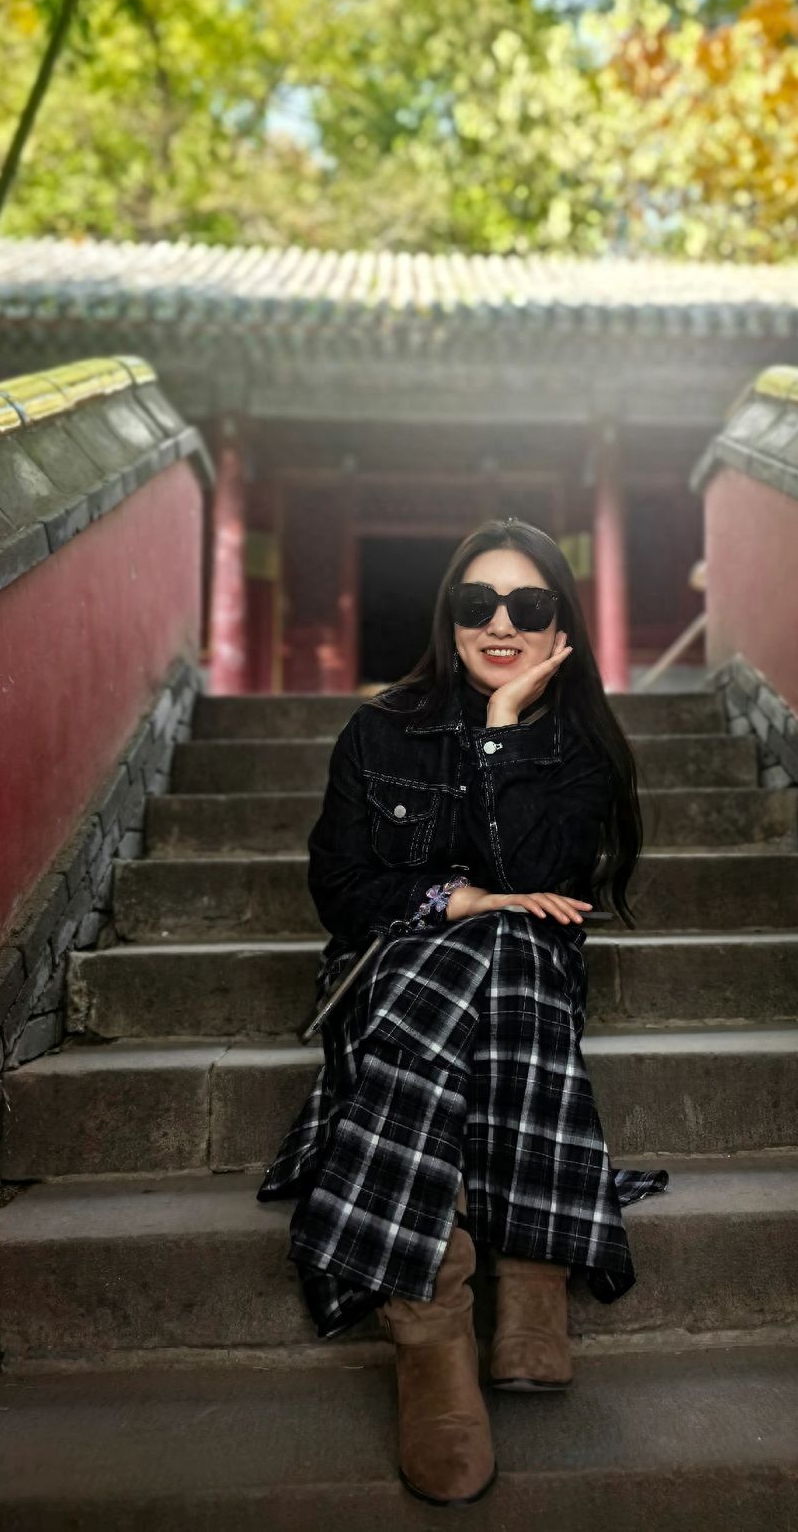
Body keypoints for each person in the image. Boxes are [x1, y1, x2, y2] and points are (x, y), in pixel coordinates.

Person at [256, 516, 667, 1508]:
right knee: (482, 943)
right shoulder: (376, 731)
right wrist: (451, 899)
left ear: (559, 622)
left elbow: (537, 882)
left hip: (514, 984)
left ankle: (515, 1270)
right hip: (390, 980)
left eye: (526, 606)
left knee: (515, 943)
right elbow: (340, 891)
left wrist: (497, 738)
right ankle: (437, 1313)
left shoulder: (579, 750)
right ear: (447, 617)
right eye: (474, 603)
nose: (498, 623)